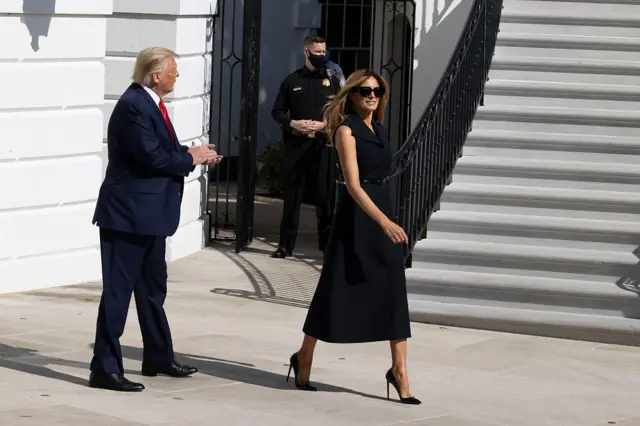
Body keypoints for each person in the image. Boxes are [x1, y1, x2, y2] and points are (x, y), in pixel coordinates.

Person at [89, 47, 222, 392]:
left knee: (152, 289)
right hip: (127, 217)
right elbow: (151, 157)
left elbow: (165, 150)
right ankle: (104, 368)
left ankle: (158, 356)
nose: (177, 76)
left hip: (149, 216)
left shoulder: (151, 104)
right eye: (173, 71)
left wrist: (195, 154)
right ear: (155, 74)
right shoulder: (134, 106)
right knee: (118, 294)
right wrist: (189, 158)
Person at [286, 69, 421, 405]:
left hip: (382, 206)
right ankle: (304, 356)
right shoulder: (346, 131)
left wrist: (389, 217)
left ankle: (399, 372)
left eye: (376, 91)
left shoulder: (381, 130)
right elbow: (353, 185)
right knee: (335, 289)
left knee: (392, 289)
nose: (371, 96)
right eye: (364, 91)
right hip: (358, 216)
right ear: (352, 95)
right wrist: (384, 222)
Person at [270, 35, 341, 258]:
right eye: (317, 52)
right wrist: (293, 123)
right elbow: (277, 111)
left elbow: (342, 113)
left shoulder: (333, 81)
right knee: (292, 198)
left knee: (325, 198)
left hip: (322, 147)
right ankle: (285, 246)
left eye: (324, 52)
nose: (321, 56)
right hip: (297, 147)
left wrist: (323, 125)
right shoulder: (292, 81)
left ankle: (326, 245)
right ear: (306, 52)